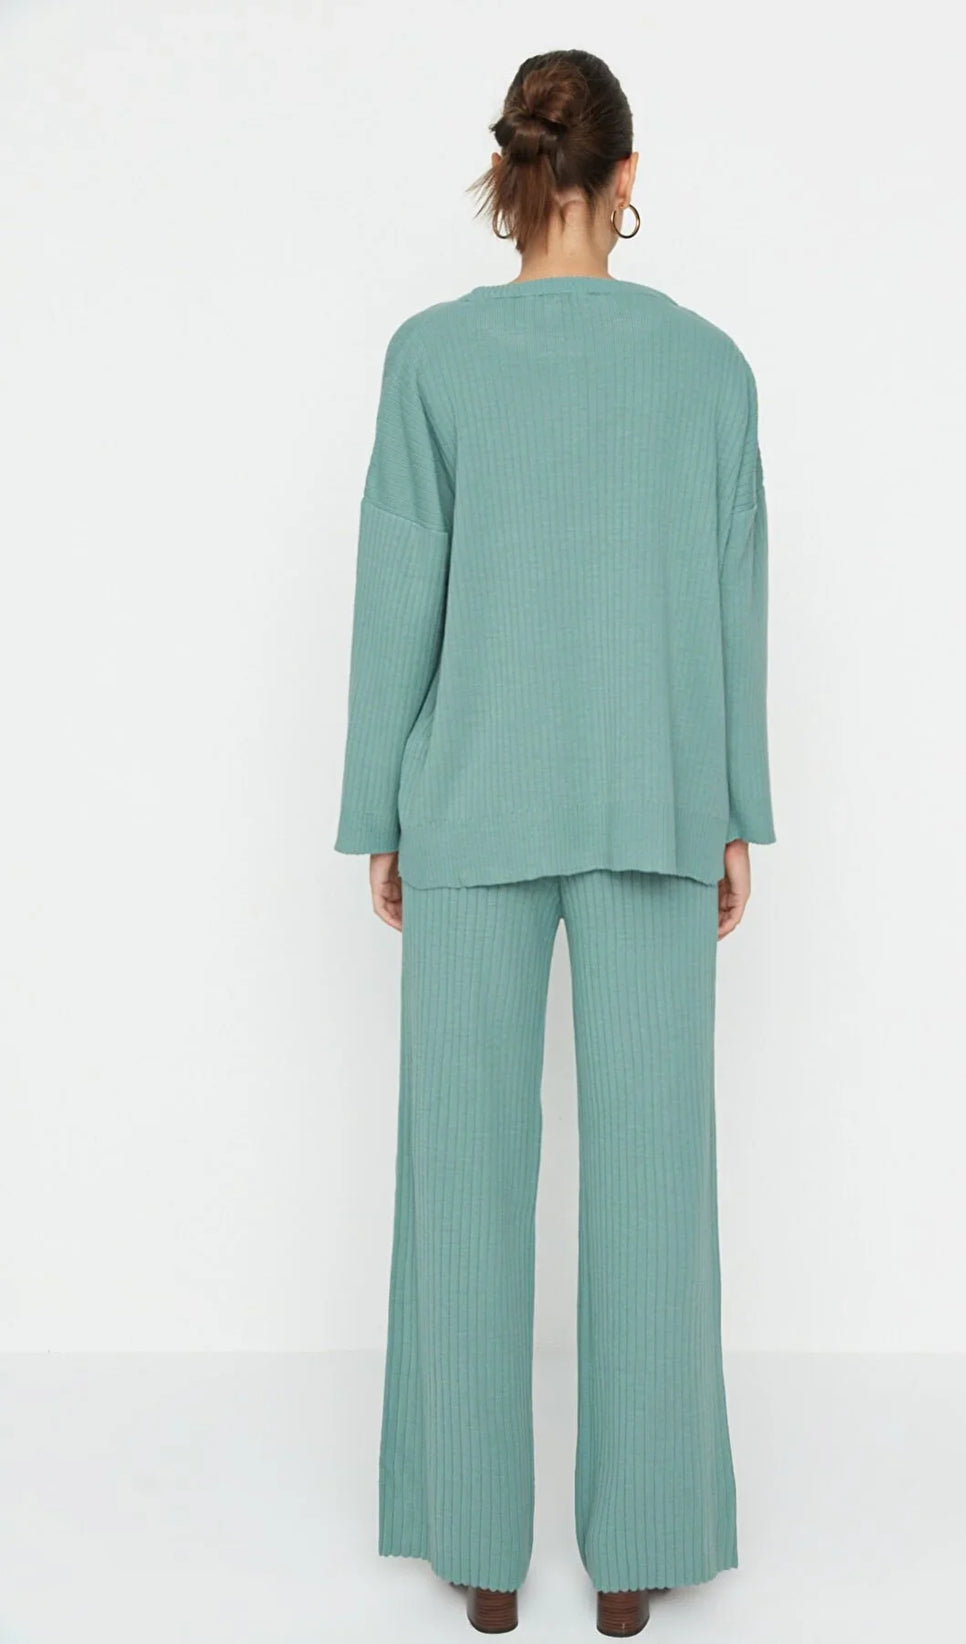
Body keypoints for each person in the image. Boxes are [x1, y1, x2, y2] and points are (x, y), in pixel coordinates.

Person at [334, 48, 775, 1638]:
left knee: (459, 1176)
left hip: (469, 796)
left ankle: (478, 1550)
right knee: (657, 1176)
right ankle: (639, 1553)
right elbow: (732, 596)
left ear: (515, 175)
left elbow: (400, 586)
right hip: (655, 795)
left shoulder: (432, 360)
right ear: (627, 178)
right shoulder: (709, 369)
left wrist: (379, 808)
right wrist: (734, 808)